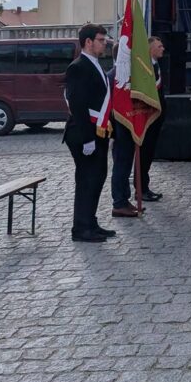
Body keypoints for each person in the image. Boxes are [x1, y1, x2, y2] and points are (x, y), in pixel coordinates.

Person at [63, 24, 115, 242]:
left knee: (97, 178)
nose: (104, 43)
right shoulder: (78, 66)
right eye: (101, 40)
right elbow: (78, 104)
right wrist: (87, 138)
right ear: (88, 42)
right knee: (87, 180)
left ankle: (90, 222)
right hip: (84, 133)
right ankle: (81, 228)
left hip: (98, 131)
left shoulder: (95, 64)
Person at [106, 43, 141, 219]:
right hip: (119, 129)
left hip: (127, 128)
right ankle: (119, 202)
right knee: (120, 166)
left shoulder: (125, 76)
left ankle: (124, 199)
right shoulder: (113, 76)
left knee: (126, 165)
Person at [134, 35, 165, 202]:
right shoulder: (144, 68)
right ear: (150, 49)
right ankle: (140, 189)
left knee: (149, 154)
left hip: (155, 117)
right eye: (159, 46)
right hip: (146, 118)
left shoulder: (155, 65)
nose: (162, 48)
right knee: (143, 155)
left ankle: (144, 186)